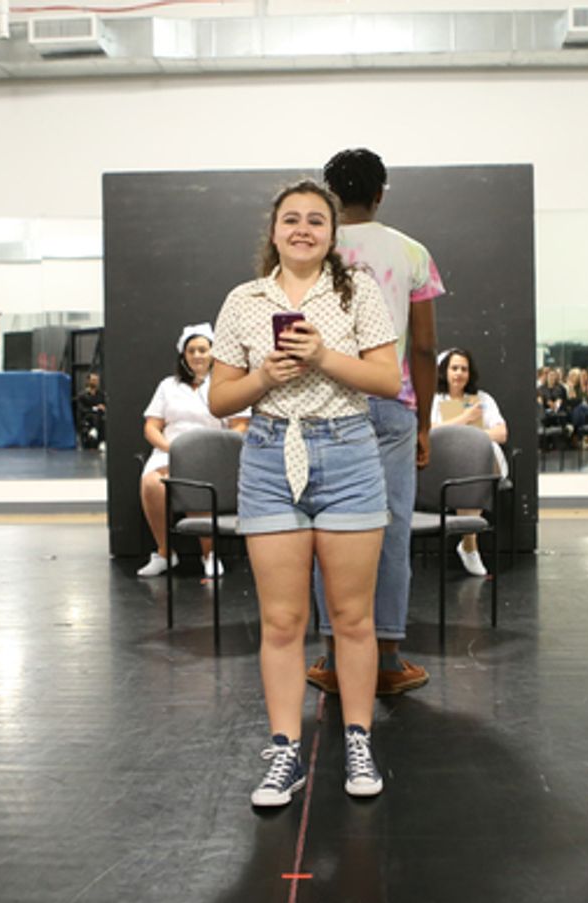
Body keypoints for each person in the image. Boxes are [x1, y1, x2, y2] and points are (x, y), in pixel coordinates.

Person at [209, 179, 400, 807]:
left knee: (353, 618)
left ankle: (358, 738)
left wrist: (322, 356)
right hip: (270, 455)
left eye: (316, 220)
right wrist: (264, 375)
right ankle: (285, 750)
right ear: (273, 231)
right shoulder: (244, 300)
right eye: (291, 219)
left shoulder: (357, 291)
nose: (302, 229)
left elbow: (386, 380)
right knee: (283, 620)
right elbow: (219, 400)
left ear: (332, 234)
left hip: (348, 452)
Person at [306, 147, 443, 698]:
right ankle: (385, 659)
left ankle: (334, 656)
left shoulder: (314, 249)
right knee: (390, 530)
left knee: (329, 528)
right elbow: (425, 347)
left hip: (324, 404)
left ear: (330, 195)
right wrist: (425, 423)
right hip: (391, 403)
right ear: (381, 193)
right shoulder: (411, 253)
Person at [137, 324, 247, 578]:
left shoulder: (226, 385)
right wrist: (172, 449)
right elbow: (151, 427)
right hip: (169, 453)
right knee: (151, 483)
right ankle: (165, 553)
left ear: (213, 353)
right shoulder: (168, 386)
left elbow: (240, 425)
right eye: (191, 350)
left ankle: (209, 554)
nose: (197, 355)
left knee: (197, 480)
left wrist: (220, 448)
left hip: (212, 456)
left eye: (203, 350)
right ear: (183, 355)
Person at [430, 347, 508, 576]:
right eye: (454, 368)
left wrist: (471, 439)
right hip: (444, 463)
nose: (459, 373)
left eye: (464, 369)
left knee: (477, 456)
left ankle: (469, 544)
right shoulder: (435, 400)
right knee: (465, 462)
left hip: (481, 463)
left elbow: (501, 433)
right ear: (445, 371)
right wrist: (465, 419)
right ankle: (469, 546)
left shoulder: (483, 399)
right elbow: (429, 431)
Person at [76, 371, 107, 450]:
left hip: (99, 416)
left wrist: (103, 407)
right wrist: (95, 408)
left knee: (100, 416)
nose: (95, 382)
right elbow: (82, 409)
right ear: (88, 381)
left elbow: (105, 406)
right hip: (87, 416)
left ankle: (97, 433)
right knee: (94, 415)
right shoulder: (82, 395)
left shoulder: (101, 395)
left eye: (96, 380)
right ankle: (94, 430)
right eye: (93, 380)